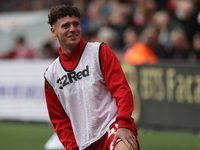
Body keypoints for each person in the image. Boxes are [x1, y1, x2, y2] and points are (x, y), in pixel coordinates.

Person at [44, 4, 139, 150]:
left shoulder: (99, 51)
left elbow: (121, 90)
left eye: (76, 24)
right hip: (85, 143)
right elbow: (60, 120)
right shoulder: (51, 75)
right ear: (54, 31)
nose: (72, 29)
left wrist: (124, 124)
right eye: (65, 25)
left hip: (113, 128)